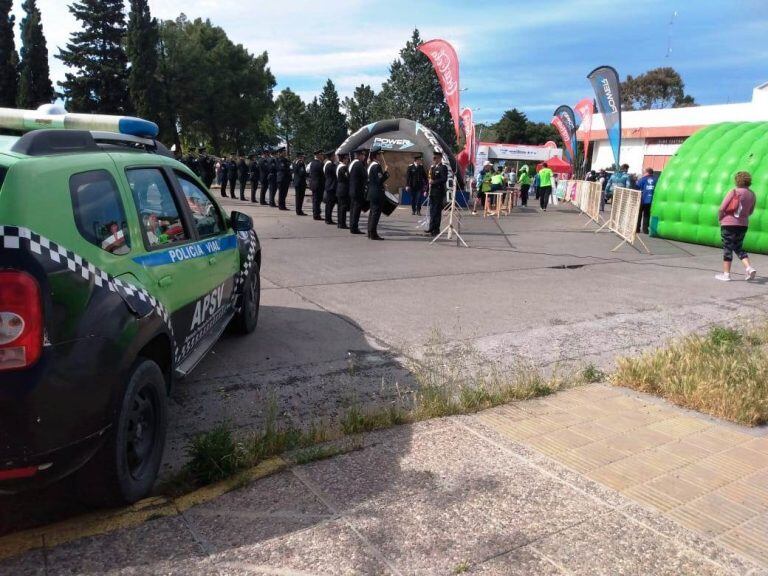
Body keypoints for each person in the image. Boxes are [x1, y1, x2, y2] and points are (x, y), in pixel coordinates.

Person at [716, 171, 757, 282]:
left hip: (729, 224)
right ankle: (749, 268)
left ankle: (726, 275)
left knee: (728, 248)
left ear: (737, 180)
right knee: (738, 247)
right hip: (743, 225)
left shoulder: (734, 192)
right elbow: (750, 211)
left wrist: (720, 218)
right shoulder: (752, 194)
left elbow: (722, 208)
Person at [366, 147, 389, 240]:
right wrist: (386, 173)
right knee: (375, 213)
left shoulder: (371, 165)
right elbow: (380, 180)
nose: (381, 156)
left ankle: (370, 232)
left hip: (372, 192)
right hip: (376, 193)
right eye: (380, 154)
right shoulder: (376, 166)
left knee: (372, 213)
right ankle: (373, 233)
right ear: (376, 155)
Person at [427, 151, 448, 236]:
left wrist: (434, 182)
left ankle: (436, 229)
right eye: (433, 158)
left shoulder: (443, 167)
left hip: (439, 192)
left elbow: (444, 179)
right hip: (432, 192)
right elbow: (430, 180)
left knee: (437, 211)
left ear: (439, 158)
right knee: (432, 211)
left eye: (435, 158)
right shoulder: (433, 168)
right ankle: (431, 228)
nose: (433, 159)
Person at [348, 148, 367, 235]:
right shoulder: (359, 164)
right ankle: (354, 227)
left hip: (352, 189)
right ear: (359, 155)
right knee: (356, 210)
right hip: (357, 190)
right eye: (363, 155)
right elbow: (365, 176)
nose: (364, 157)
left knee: (353, 209)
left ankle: (352, 225)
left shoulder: (352, 163)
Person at [635, 167, 657, 234]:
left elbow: (637, 186)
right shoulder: (656, 179)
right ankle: (645, 230)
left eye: (644, 172)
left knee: (639, 214)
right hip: (651, 200)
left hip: (642, 199)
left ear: (647, 172)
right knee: (647, 215)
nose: (643, 173)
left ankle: (637, 229)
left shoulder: (643, 179)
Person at [309, 149, 325, 220]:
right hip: (318, 184)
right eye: (321, 154)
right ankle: (316, 214)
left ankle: (316, 213)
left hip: (313, 184)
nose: (322, 156)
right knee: (317, 200)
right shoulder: (320, 164)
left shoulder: (312, 163)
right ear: (318, 155)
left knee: (315, 200)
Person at [336, 154, 350, 229]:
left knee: (340, 207)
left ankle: (340, 222)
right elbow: (347, 177)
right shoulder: (343, 167)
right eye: (346, 159)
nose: (347, 160)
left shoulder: (338, 166)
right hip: (343, 189)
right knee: (343, 207)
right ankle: (342, 223)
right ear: (344, 159)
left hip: (339, 188)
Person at [323, 151, 338, 225]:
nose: (335, 157)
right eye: (334, 156)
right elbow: (336, 171)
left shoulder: (328, 164)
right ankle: (328, 219)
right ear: (331, 157)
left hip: (329, 185)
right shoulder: (330, 165)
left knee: (329, 204)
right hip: (331, 186)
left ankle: (328, 218)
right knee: (329, 204)